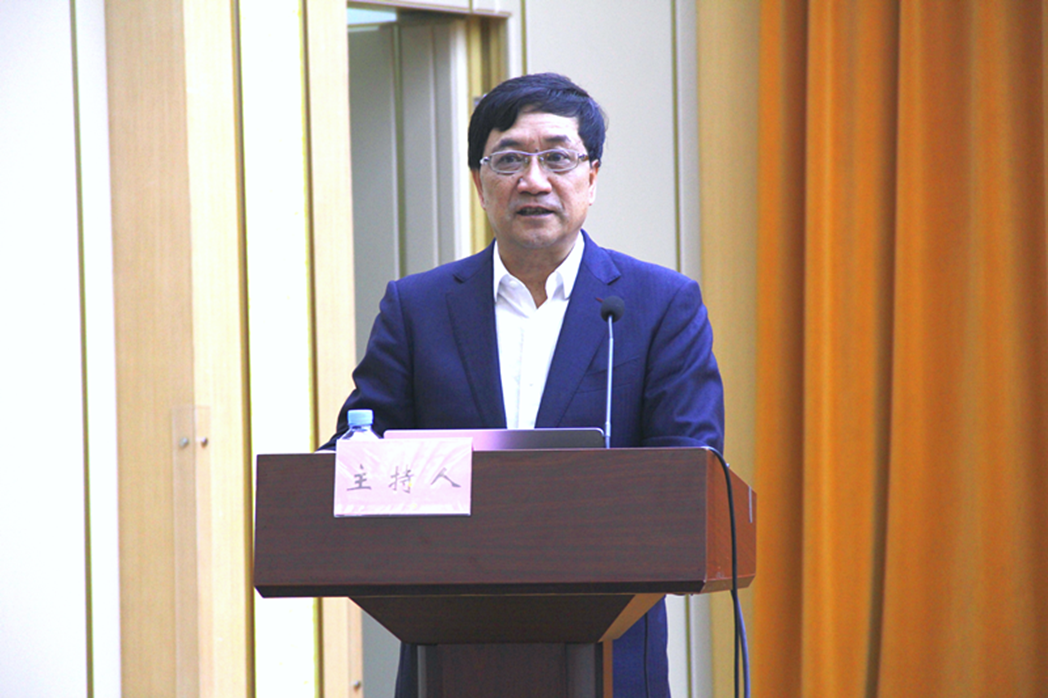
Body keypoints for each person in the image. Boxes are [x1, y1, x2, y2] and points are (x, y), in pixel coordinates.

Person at [321, 72, 724, 698]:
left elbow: (688, 473)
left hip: (612, 661)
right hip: (452, 654)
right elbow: (356, 458)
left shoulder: (658, 305)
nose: (534, 181)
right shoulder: (418, 307)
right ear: (479, 183)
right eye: (509, 160)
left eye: (558, 159)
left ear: (592, 177)